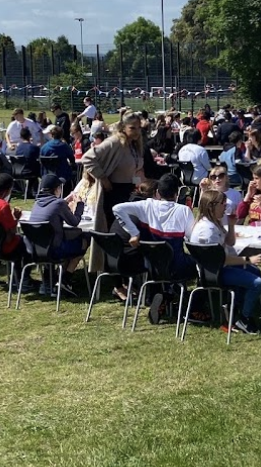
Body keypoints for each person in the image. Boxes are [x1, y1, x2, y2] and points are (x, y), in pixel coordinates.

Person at [112, 174, 197, 324]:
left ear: (158, 192)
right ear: (176, 194)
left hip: (150, 266)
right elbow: (193, 238)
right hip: (176, 267)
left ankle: (166, 295)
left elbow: (117, 208)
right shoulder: (183, 210)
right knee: (200, 266)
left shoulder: (147, 205)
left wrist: (134, 232)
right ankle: (196, 307)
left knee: (166, 266)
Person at [191, 189, 261, 335]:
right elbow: (222, 259)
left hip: (219, 267)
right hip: (215, 272)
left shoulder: (216, 221)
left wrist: (231, 225)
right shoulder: (206, 231)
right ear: (212, 206)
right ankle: (244, 318)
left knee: (255, 272)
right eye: (223, 204)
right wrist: (248, 259)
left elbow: (230, 243)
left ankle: (233, 312)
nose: (226, 206)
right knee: (256, 282)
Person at [81, 112, 144, 273]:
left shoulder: (134, 144)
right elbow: (87, 158)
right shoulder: (114, 142)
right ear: (123, 127)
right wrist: (102, 178)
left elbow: (135, 168)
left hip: (129, 192)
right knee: (116, 236)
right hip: (114, 193)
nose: (136, 131)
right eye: (132, 128)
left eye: (138, 128)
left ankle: (127, 273)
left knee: (132, 234)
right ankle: (116, 278)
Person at [28, 174, 89, 297]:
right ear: (55, 189)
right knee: (85, 239)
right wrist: (80, 204)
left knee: (64, 242)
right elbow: (75, 222)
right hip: (54, 251)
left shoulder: (36, 203)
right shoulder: (59, 204)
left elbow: (54, 206)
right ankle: (65, 279)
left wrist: (66, 200)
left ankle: (51, 282)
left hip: (35, 250)